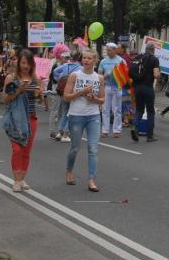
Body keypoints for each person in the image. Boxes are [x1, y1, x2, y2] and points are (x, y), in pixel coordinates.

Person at [64, 49, 104, 192]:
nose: (86, 60)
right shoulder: (74, 76)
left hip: (93, 115)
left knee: (93, 149)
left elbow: (102, 100)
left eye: (89, 58)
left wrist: (94, 98)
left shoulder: (99, 78)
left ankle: (91, 180)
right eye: (84, 58)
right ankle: (69, 170)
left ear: (95, 61)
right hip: (76, 115)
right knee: (75, 148)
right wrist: (81, 92)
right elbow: (66, 97)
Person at [3, 49, 41, 192]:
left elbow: (38, 100)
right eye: (23, 63)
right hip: (15, 118)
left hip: (31, 117)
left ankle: (22, 178)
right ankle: (16, 180)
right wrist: (19, 90)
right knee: (17, 149)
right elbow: (5, 100)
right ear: (19, 63)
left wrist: (39, 95)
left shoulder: (36, 78)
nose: (26, 66)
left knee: (26, 150)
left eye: (29, 63)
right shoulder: (11, 78)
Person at [131, 43, 161, 142]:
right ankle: (149, 136)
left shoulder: (138, 58)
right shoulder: (154, 59)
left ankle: (135, 128)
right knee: (150, 112)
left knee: (139, 110)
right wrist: (159, 74)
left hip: (138, 88)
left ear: (146, 49)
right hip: (148, 88)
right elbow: (156, 75)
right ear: (153, 50)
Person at [50, 51, 80, 142]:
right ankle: (66, 133)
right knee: (71, 112)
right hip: (73, 91)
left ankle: (60, 132)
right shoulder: (80, 68)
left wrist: (59, 78)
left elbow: (55, 71)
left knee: (64, 112)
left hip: (63, 90)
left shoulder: (65, 65)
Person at [98, 42, 125, 137]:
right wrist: (105, 75)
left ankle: (117, 130)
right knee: (105, 109)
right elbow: (99, 75)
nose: (108, 52)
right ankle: (105, 130)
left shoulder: (121, 61)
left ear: (115, 50)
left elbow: (125, 75)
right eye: (107, 50)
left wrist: (117, 75)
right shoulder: (103, 61)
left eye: (109, 50)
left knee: (117, 109)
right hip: (107, 86)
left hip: (117, 87)